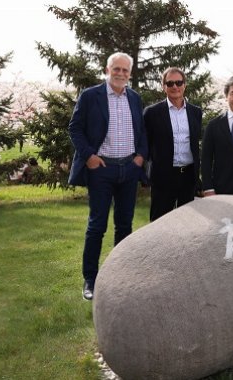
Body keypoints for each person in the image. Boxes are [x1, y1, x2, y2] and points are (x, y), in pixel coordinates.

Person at [68, 52, 148, 301]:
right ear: (107, 69)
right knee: (97, 226)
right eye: (117, 69)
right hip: (101, 170)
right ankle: (90, 279)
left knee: (124, 225)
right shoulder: (91, 96)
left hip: (128, 169)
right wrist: (90, 156)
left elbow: (142, 132)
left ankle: (120, 275)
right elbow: (75, 128)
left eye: (125, 70)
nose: (121, 73)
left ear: (130, 74)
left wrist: (140, 158)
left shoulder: (134, 98)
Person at [143, 67, 202, 221]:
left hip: (188, 176)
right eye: (170, 83)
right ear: (164, 87)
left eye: (178, 82)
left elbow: (196, 144)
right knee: (159, 222)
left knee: (187, 222)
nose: (175, 86)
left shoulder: (196, 112)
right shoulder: (152, 113)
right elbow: (145, 144)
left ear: (184, 85)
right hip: (163, 176)